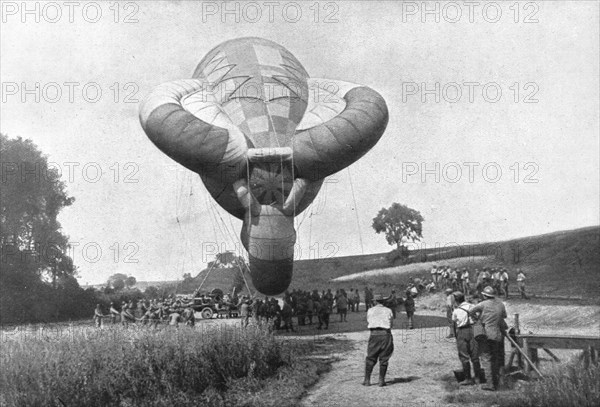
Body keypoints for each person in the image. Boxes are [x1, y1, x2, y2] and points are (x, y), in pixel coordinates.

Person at [470, 286, 508, 391]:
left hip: (485, 334)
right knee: (496, 358)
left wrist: (478, 319)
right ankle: (499, 382)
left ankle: (490, 384)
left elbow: (471, 311)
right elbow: (504, 316)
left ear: (485, 295)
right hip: (498, 335)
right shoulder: (500, 304)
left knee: (486, 358)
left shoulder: (482, 304)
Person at [363, 294, 394, 387]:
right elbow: (391, 324)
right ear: (383, 301)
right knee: (384, 358)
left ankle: (367, 380)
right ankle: (381, 380)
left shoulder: (370, 310)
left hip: (374, 334)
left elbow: (368, 321)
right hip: (385, 334)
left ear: (375, 301)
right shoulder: (388, 310)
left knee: (371, 357)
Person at [451, 291, 482, 385]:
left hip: (462, 331)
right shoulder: (472, 306)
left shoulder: (456, 311)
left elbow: (454, 324)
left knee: (464, 355)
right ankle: (478, 378)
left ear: (456, 300)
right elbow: (480, 315)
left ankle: (468, 378)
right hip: (474, 330)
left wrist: (456, 336)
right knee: (475, 355)